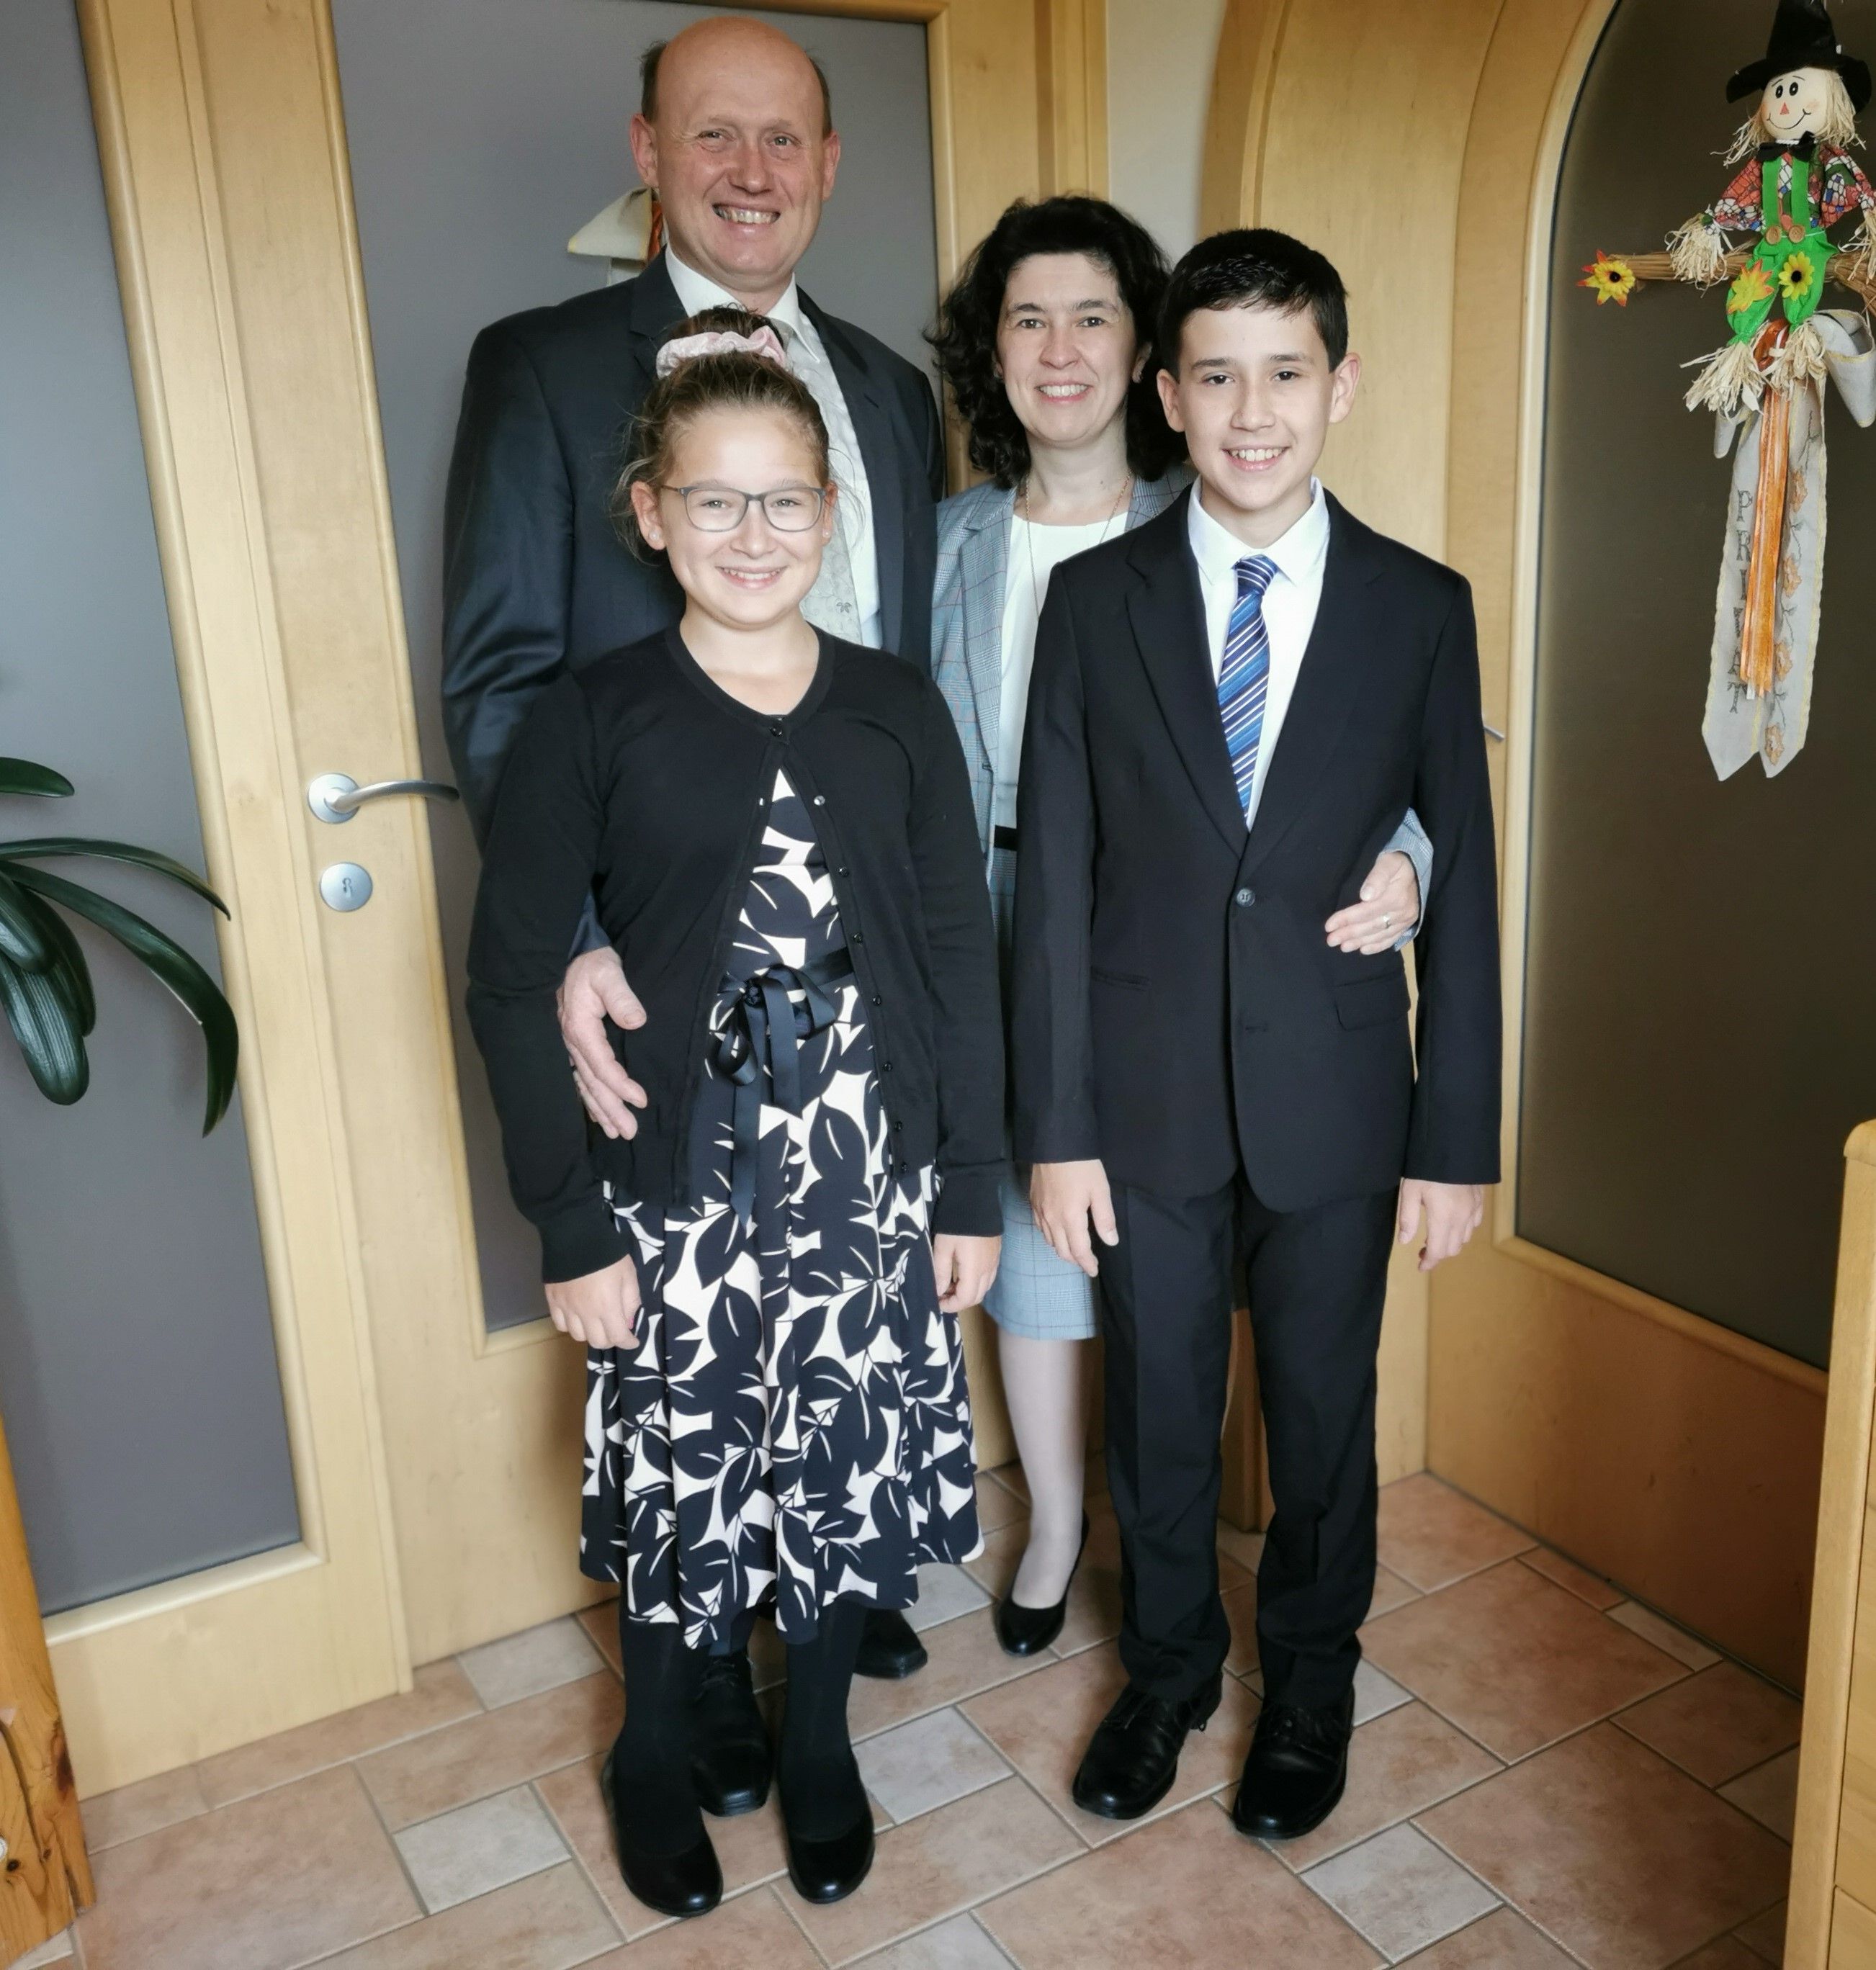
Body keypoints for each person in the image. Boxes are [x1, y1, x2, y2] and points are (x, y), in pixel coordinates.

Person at [442, 12, 941, 1804]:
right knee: (679, 1372)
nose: (751, 171)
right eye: (712, 135)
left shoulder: (889, 388)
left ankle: (816, 1626)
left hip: (860, 999)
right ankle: (694, 1696)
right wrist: (572, 934)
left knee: (822, 1376)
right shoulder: (549, 365)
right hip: (656, 971)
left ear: (826, 167)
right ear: (646, 151)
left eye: (785, 140)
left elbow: (903, 684)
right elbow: (504, 679)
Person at [465, 314, 1003, 1917]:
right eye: (713, 500)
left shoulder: (897, 707)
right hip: (678, 1189)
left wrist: (967, 1180)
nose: (750, 535)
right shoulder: (591, 717)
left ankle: (819, 1740)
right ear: (650, 512)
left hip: (862, 1178)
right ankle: (654, 1748)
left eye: (783, 501)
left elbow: (955, 946)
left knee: (837, 1465)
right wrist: (569, 1221)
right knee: (686, 1470)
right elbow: (507, 987)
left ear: (831, 512)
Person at [1013, 229, 1500, 1841]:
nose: (1250, 411)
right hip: (1139, 1105)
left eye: (1284, 373)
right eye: (1212, 375)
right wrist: (1055, 1125)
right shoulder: (1093, 605)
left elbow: (1466, 869)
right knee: (1154, 1415)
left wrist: (1455, 1144)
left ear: (1338, 385)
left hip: (1340, 1101)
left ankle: (1307, 1681)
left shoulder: (1422, 608)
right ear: (1165, 393)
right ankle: (1165, 1676)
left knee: (1320, 1420)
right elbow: (1062, 879)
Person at [926, 197, 1431, 1652]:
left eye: (1092, 315)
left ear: (1144, 355)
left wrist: (1407, 855)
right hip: (993, 912)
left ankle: (1258, 1618)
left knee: (1222, 1296)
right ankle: (1067, 1536)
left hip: (1183, 936)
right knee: (1043, 1235)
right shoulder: (951, 540)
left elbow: (1383, 752)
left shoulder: (1219, 511)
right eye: (1027, 318)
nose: (1059, 347)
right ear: (994, 350)